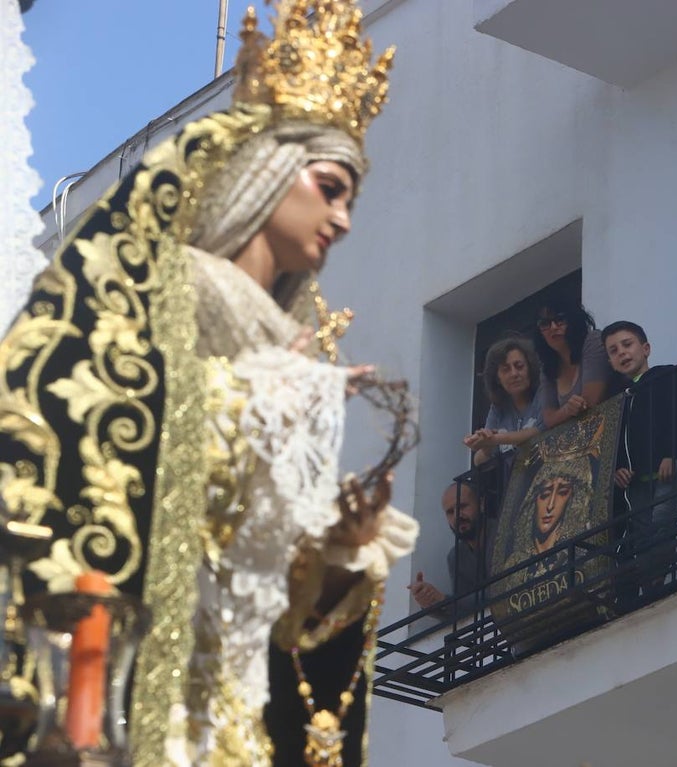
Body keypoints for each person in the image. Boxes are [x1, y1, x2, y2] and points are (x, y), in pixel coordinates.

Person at [0, 4, 418, 766]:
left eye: (350, 197)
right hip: (143, 703)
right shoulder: (157, 290)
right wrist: (252, 400)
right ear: (263, 172)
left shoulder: (295, 350)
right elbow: (86, 440)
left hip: (237, 725)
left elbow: (273, 608)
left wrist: (336, 555)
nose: (343, 218)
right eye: (329, 186)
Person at [602, 321, 677, 601]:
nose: (622, 353)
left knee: (662, 521)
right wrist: (618, 469)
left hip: (667, 470)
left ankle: (656, 582)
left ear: (646, 348)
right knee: (640, 532)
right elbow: (616, 441)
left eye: (627, 345)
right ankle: (647, 584)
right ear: (610, 361)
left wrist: (672, 454)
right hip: (637, 481)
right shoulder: (619, 400)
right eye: (614, 351)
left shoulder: (666, 376)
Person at [408, 482, 492, 615]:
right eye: (450, 512)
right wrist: (431, 603)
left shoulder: (505, 534)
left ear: (481, 504)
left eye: (463, 506)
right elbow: (462, 613)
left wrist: (444, 600)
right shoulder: (456, 556)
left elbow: (505, 588)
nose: (457, 516)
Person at [533, 296, 615, 427]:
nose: (553, 327)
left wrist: (562, 414)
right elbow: (548, 420)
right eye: (545, 324)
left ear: (573, 320)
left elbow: (590, 402)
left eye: (560, 320)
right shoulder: (547, 368)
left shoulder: (592, 341)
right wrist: (567, 410)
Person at [463, 336, 544, 465]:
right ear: (497, 379)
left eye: (519, 366)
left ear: (530, 368)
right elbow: (478, 461)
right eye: (506, 369)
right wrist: (486, 445)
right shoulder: (498, 408)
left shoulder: (543, 393)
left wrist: (497, 439)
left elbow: (540, 431)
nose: (514, 374)